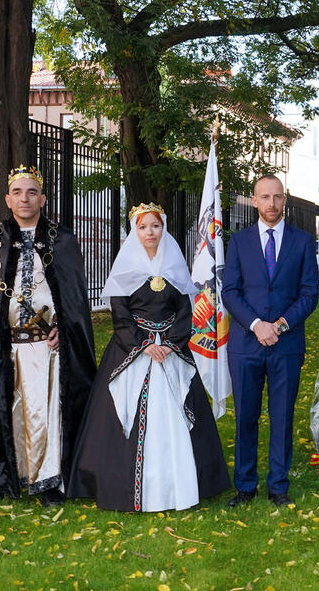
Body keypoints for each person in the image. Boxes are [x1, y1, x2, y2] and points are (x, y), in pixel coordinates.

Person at [68, 203, 229, 512]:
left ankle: (181, 485)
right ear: (135, 231)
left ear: (163, 228)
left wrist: (170, 343)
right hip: (134, 350)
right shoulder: (126, 267)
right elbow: (120, 314)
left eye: (155, 226)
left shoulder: (174, 265)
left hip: (171, 350)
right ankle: (125, 486)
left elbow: (185, 310)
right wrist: (143, 344)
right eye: (143, 227)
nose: (150, 232)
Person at [0, 166, 98, 507]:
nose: (24, 199)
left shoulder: (62, 240)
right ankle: (0, 478)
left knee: (44, 414)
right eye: (18, 192)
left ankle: (47, 482)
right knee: (5, 411)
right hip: (5, 347)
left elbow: (73, 299)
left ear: (42, 198)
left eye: (31, 192)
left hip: (46, 347)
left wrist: (65, 331)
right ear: (7, 199)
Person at [222, 175, 319, 507]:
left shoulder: (303, 242)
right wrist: (255, 325)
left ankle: (278, 485)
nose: (272, 204)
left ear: (285, 199)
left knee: (282, 417)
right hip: (246, 345)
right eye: (265, 197)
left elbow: (309, 294)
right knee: (245, 416)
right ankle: (245, 486)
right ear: (254, 201)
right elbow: (230, 292)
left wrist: (279, 324)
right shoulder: (238, 242)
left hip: (287, 344)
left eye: (277, 197)